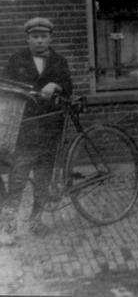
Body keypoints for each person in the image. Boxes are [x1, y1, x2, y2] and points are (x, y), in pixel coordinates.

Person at [0, 17, 72, 243]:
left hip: (51, 129)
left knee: (43, 178)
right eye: (35, 37)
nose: (39, 41)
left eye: (43, 37)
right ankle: (8, 228)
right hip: (25, 129)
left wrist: (57, 85)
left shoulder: (59, 61)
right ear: (28, 38)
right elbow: (4, 87)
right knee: (18, 179)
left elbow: (69, 87)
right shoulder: (16, 60)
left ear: (50, 38)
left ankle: (36, 219)